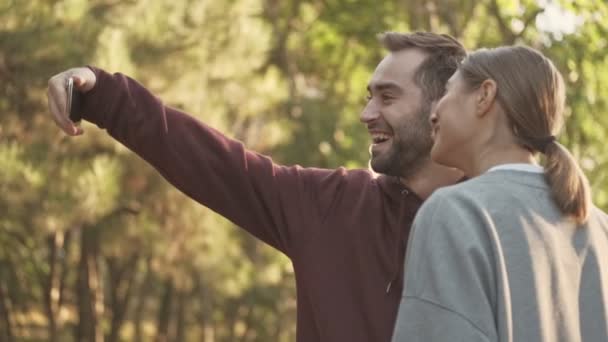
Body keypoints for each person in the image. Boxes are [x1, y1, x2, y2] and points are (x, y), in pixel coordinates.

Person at [47, 32, 466, 341]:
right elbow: (212, 163)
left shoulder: (503, 221)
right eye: (368, 96)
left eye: (387, 97)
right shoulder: (328, 206)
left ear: (441, 108)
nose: (366, 113)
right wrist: (103, 96)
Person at [391, 45, 608, 342]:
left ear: (484, 96)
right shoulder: (600, 228)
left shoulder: (456, 211)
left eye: (446, 93)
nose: (433, 112)